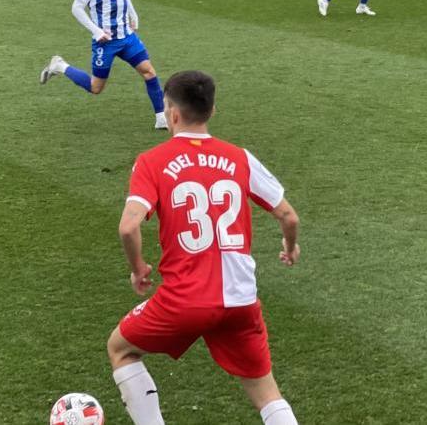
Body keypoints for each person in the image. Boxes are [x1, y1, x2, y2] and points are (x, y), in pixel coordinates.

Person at [104, 69, 301, 425]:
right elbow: (288, 216)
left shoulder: (152, 161)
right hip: (240, 299)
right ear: (211, 111)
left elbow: (129, 226)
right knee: (267, 393)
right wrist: (290, 247)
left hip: (184, 299)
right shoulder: (240, 157)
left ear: (173, 114)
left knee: (121, 348)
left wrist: (138, 268)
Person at [38, 0, 167, 130]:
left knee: (149, 72)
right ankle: (60, 66)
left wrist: (133, 14)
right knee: (95, 87)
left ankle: (161, 118)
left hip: (127, 36)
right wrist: (97, 31)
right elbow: (77, 7)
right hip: (105, 41)